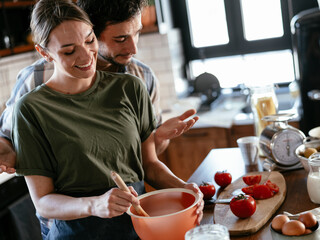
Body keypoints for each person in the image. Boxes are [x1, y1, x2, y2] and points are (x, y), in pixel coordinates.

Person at [11, 0, 203, 239]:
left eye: (90, 40)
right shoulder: (30, 108)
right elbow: (43, 202)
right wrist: (94, 204)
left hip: (138, 228)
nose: (86, 56)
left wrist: (183, 188)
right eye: (69, 51)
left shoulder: (131, 87)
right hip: (76, 234)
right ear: (44, 53)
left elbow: (150, 165)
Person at [0, 0, 199, 174]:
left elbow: (150, 156)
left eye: (136, 34)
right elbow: (7, 137)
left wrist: (159, 137)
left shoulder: (141, 78)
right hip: (64, 211)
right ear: (89, 30)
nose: (133, 48)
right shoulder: (36, 78)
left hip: (127, 202)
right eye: (120, 39)